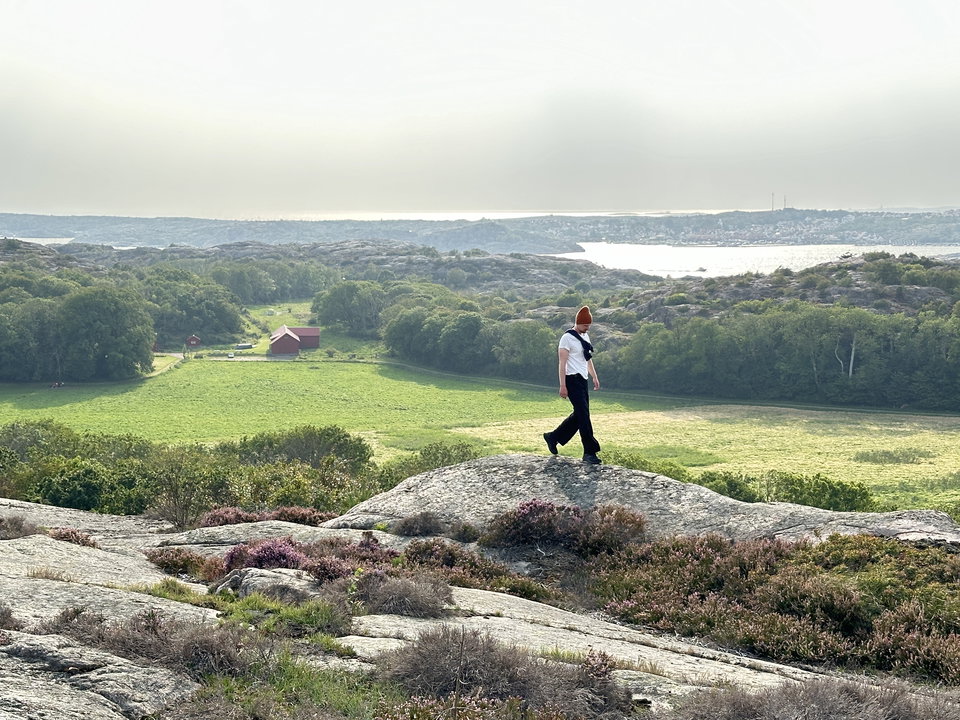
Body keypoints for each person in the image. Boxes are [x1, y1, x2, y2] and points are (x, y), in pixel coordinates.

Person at [543, 306, 601, 464]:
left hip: (582, 380)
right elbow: (562, 364)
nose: (587, 328)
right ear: (577, 323)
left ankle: (553, 436)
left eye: (589, 326)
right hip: (571, 379)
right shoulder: (566, 338)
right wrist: (562, 386)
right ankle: (589, 452)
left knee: (580, 415)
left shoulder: (586, 336)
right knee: (583, 416)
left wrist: (594, 377)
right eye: (584, 326)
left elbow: (587, 359)